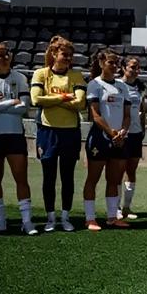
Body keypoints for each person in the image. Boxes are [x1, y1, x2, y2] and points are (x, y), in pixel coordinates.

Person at [0, 41, 37, 235]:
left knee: (21, 178)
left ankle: (27, 222)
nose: (5, 57)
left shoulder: (19, 77)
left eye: (6, 53)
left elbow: (24, 108)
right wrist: (11, 101)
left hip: (15, 135)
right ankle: (0, 221)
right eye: (0, 54)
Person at [30, 35, 87, 232]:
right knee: (49, 176)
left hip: (70, 132)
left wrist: (51, 98)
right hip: (47, 131)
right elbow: (36, 100)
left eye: (71, 55)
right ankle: (50, 218)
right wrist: (64, 96)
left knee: (68, 176)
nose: (68, 58)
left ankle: (65, 217)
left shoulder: (76, 76)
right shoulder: (41, 74)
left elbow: (80, 104)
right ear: (54, 54)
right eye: (65, 54)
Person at [83, 48, 131, 231]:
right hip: (100, 138)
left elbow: (127, 115)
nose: (115, 65)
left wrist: (123, 132)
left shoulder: (122, 86)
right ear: (102, 63)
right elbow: (95, 115)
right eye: (111, 62)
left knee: (114, 179)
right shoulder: (94, 84)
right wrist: (112, 133)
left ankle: (112, 217)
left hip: (119, 138)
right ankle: (90, 218)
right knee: (93, 179)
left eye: (117, 62)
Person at [118, 56, 146, 219]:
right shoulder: (117, 86)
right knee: (118, 171)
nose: (136, 70)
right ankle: (115, 207)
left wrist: (142, 130)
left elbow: (142, 111)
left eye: (138, 67)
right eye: (133, 67)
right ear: (123, 68)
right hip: (121, 133)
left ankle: (127, 207)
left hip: (135, 134)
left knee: (131, 170)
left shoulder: (140, 88)